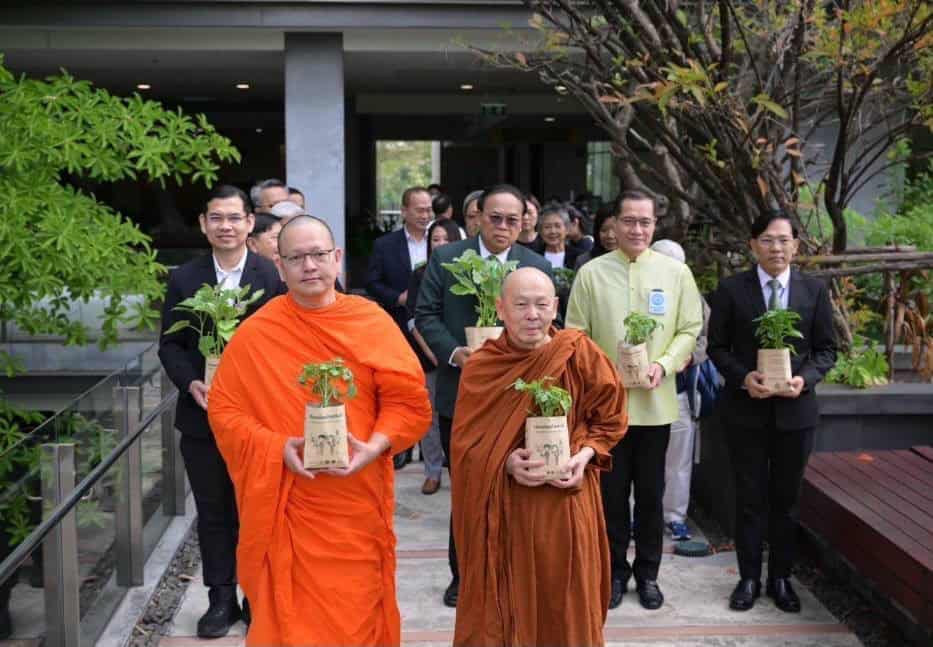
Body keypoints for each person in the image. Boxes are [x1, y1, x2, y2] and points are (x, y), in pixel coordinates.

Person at [207, 215, 432, 646]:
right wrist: (276, 447)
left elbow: (407, 402)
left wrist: (375, 445)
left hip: (355, 504)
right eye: (296, 258)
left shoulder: (371, 321)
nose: (309, 265)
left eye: (318, 254)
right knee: (291, 622)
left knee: (357, 612)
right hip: (291, 504)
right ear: (280, 267)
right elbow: (224, 410)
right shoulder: (258, 333)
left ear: (337, 258)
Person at [451, 267, 627, 647]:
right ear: (500, 308)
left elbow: (610, 417)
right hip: (508, 511)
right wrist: (505, 461)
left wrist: (585, 455)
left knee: (567, 602)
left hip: (567, 505)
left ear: (556, 307)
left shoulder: (578, 353)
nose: (532, 315)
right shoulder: (482, 367)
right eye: (520, 305)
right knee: (510, 602)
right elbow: (466, 446)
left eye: (541, 305)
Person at [415, 183, 554, 608]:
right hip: (461, 394)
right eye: (495, 218)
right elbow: (426, 314)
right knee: (468, 491)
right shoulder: (447, 258)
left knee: (517, 491)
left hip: (518, 397)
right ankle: (464, 576)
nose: (503, 227)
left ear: (523, 222)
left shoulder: (534, 264)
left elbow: (549, 321)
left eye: (513, 220)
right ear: (476, 217)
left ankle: (509, 573)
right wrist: (456, 353)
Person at [158, 184, 285, 638]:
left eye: (234, 218)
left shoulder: (271, 275)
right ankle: (220, 599)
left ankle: (255, 596)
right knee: (214, 512)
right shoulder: (184, 278)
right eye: (216, 218)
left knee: (256, 509)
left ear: (250, 223)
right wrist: (190, 382)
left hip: (258, 419)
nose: (225, 226)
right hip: (202, 417)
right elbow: (170, 345)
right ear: (203, 224)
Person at [566, 189, 702, 611]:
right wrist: (601, 375)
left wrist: (664, 364)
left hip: (655, 406)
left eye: (645, 222)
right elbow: (575, 333)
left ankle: (648, 575)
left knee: (650, 496)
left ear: (655, 225)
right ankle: (613, 573)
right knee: (609, 498)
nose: (637, 229)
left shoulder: (675, 272)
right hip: (606, 409)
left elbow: (689, 327)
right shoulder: (591, 273)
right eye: (629, 221)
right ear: (614, 225)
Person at [707, 213, 836, 614]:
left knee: (786, 498)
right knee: (749, 498)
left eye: (783, 240)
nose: (776, 248)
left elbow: (826, 350)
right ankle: (748, 577)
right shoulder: (732, 289)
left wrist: (805, 379)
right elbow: (717, 348)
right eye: (767, 239)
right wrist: (744, 377)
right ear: (752, 245)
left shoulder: (813, 290)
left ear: (796, 245)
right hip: (746, 411)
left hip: (796, 413)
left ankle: (781, 577)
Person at [650, 239, 710, 542]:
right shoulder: (636, 291)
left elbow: (704, 341)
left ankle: (674, 516)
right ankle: (635, 517)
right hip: (641, 392)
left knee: (678, 460)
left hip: (679, 390)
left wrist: (688, 356)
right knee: (638, 459)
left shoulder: (694, 298)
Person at [407, 219, 463, 495]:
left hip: (460, 357)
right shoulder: (421, 273)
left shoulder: (466, 272)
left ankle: (457, 471)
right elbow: (416, 318)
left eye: (446, 239)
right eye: (435, 239)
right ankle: (432, 471)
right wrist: (435, 352)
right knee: (430, 416)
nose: (440, 244)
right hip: (429, 356)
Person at [575, 204, 618, 270]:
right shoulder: (584, 261)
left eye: (615, 229)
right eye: (604, 230)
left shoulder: (633, 260)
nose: (610, 236)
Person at [538, 204, 581, 270]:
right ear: (540, 231)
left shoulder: (579, 257)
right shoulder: (533, 256)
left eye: (557, 226)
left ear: (567, 229)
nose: (553, 231)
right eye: (547, 227)